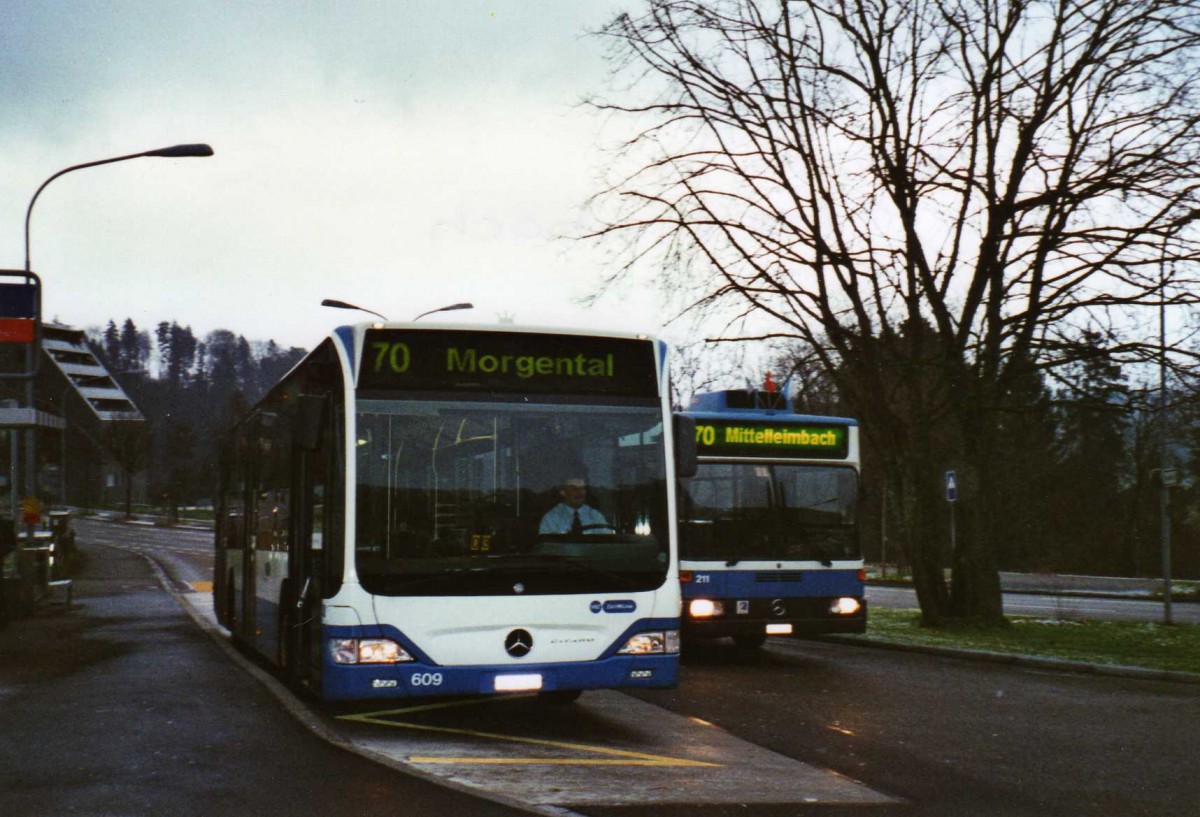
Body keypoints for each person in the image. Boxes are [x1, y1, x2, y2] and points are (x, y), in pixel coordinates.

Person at [539, 476, 612, 535]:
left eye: (582, 488)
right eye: (574, 489)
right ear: (563, 492)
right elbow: (548, 547)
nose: (580, 493)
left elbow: (606, 543)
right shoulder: (551, 518)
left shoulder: (595, 516)